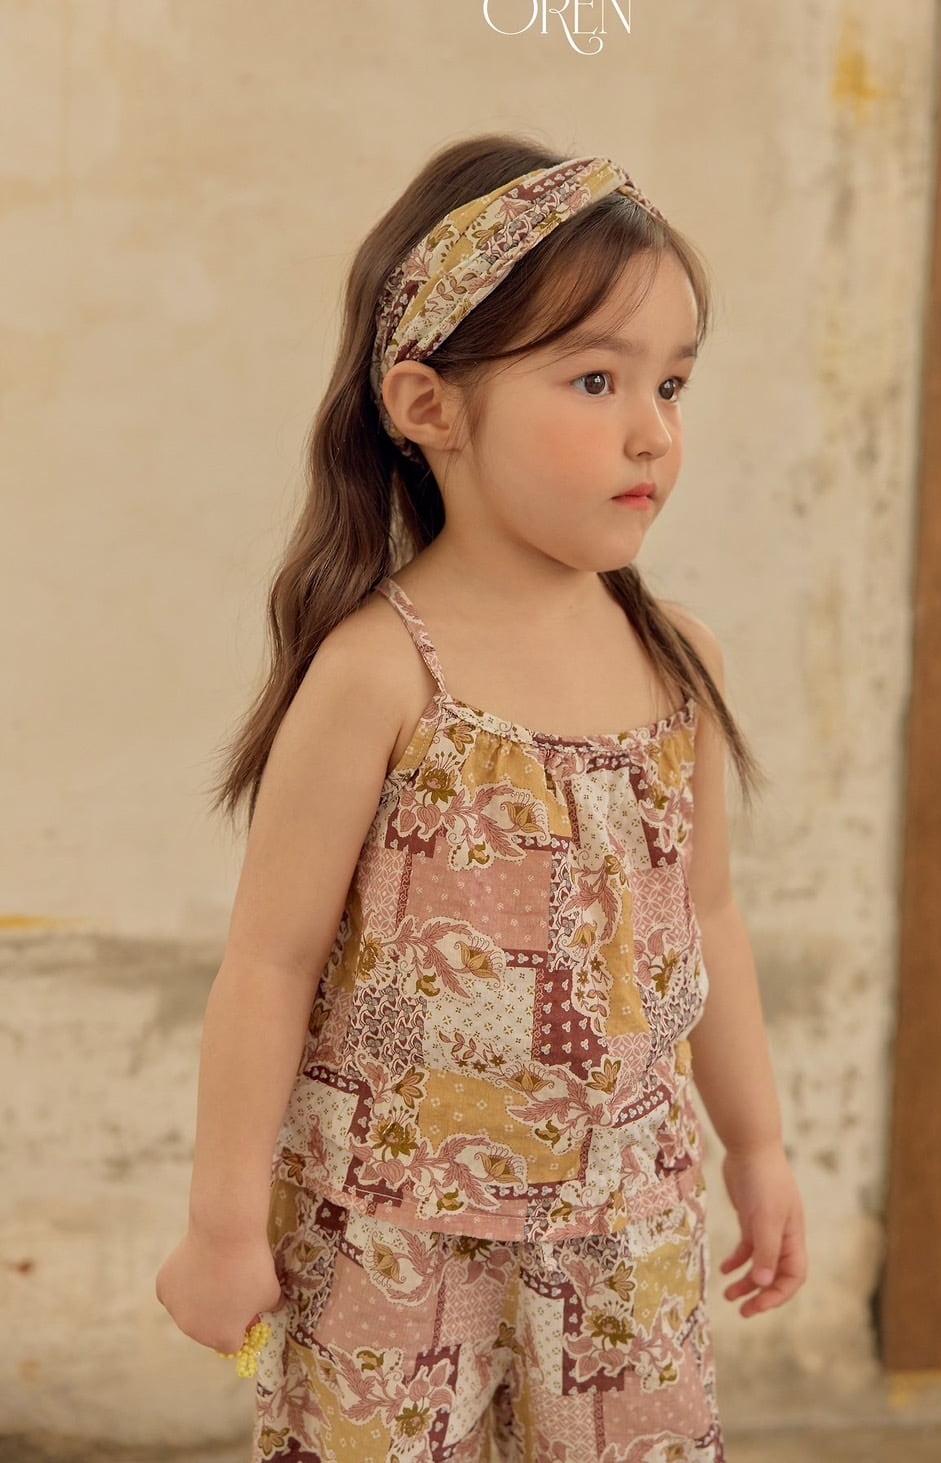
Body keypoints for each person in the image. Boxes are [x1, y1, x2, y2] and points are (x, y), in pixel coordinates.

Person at [155, 133, 807, 1463]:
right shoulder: (380, 673)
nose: (652, 430)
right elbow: (270, 962)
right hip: (394, 1236)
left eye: (672, 384)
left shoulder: (677, 664)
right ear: (429, 406)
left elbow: (709, 922)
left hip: (623, 1230)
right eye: (594, 379)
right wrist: (222, 1223)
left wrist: (757, 1148)